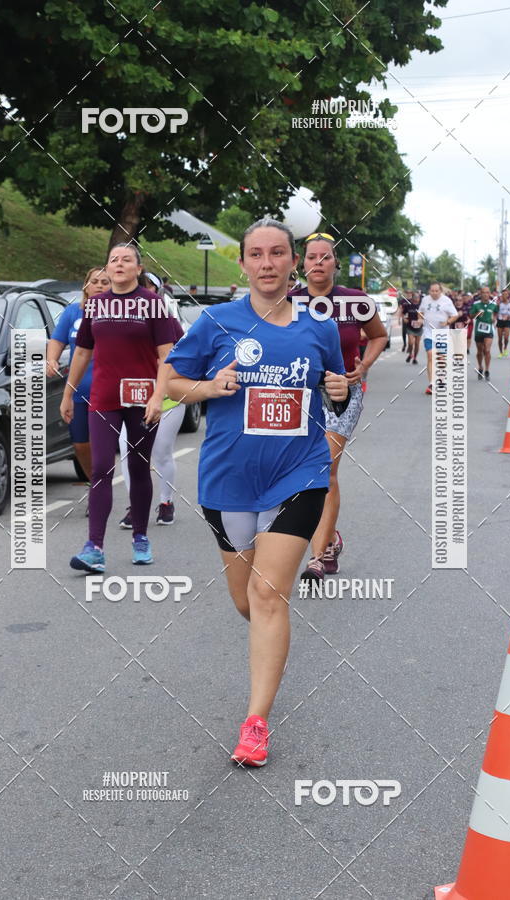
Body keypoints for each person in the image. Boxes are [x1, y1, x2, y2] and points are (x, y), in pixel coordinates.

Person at [166, 218, 349, 767]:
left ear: (294, 262)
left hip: (299, 474)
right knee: (249, 602)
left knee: (269, 596)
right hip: (228, 480)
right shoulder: (216, 322)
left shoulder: (319, 327)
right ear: (243, 263)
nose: (267, 263)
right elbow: (170, 383)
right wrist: (209, 386)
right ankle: (273, 638)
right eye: (256, 254)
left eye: (277, 253)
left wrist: (340, 388)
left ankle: (255, 723)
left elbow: (337, 388)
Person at [60, 242, 177, 573]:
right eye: (114, 260)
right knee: (100, 468)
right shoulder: (96, 305)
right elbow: (82, 351)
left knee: (138, 468)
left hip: (142, 398)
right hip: (104, 398)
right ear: (107, 268)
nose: (120, 264)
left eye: (127, 259)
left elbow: (167, 354)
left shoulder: (152, 304)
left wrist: (158, 396)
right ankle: (94, 547)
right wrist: (68, 393)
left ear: (138, 269)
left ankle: (140, 537)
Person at [289, 232, 387, 583]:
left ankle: (317, 558)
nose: (318, 262)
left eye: (325, 257)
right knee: (298, 471)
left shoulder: (355, 301)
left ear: (336, 264)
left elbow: (378, 335)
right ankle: (330, 537)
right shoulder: (288, 301)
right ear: (301, 263)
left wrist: (364, 365)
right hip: (299, 393)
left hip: (341, 390)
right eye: (311, 256)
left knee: (324, 469)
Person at [118, 314, 186, 527]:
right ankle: (135, 506)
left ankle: (166, 502)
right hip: (132, 399)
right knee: (127, 451)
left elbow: (185, 358)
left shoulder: (169, 322)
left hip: (167, 402)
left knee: (161, 453)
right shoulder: (119, 319)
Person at [47, 267, 110, 486]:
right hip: (79, 389)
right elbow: (57, 340)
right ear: (86, 286)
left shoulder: (118, 314)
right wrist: (52, 359)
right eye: (95, 281)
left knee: (101, 443)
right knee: (80, 444)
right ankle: (96, 483)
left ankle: (101, 489)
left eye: (105, 282)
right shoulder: (73, 312)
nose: (99, 285)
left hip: (107, 391)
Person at [418, 282, 458, 394]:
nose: (434, 293)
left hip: (442, 333)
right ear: (429, 291)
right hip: (428, 332)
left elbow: (455, 315)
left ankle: (441, 379)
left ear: (440, 291)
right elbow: (420, 311)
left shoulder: (447, 301)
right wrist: (420, 319)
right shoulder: (425, 300)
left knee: (441, 359)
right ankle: (431, 384)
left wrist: (447, 322)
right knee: (430, 355)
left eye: (436, 291)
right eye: (432, 291)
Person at [470, 285, 498, 380]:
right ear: (480, 294)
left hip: (489, 330)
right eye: (483, 292)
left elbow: (496, 313)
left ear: (489, 294)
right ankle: (480, 367)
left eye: (487, 292)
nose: (485, 294)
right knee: (480, 351)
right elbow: (471, 316)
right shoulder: (476, 304)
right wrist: (477, 314)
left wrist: (494, 318)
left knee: (487, 350)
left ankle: (487, 370)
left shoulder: (493, 304)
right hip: (478, 330)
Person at [403, 290, 423, 365]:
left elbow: (425, 315)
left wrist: (421, 320)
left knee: (417, 344)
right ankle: (410, 354)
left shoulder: (421, 306)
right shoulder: (408, 305)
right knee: (411, 343)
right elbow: (404, 314)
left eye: (418, 297)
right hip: (410, 327)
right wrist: (404, 319)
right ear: (412, 297)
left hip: (419, 327)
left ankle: (414, 358)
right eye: (415, 297)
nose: (416, 298)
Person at [496, 289, 510, 357]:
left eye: (506, 294)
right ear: (501, 295)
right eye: (503, 294)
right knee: (500, 338)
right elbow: (495, 312)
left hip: (507, 321)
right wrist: (495, 317)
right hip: (500, 321)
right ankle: (500, 352)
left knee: (506, 337)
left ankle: (505, 348)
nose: (504, 296)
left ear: (508, 295)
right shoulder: (499, 303)